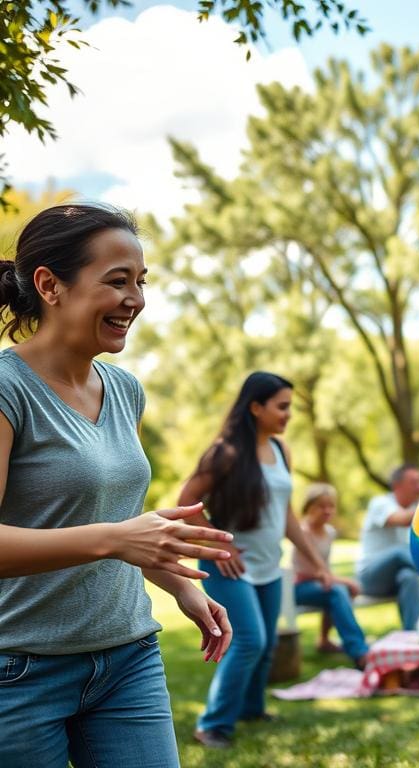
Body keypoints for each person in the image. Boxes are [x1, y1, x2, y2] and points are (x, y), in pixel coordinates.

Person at [0, 204, 234, 768]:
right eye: (117, 281)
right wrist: (114, 538)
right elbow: (111, 535)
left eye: (141, 281)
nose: (137, 299)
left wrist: (180, 585)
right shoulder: (9, 391)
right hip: (20, 672)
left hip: (128, 658)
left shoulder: (125, 390)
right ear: (50, 285)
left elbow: (120, 526)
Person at [178, 372, 334, 748]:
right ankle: (212, 724)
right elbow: (185, 502)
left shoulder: (280, 451)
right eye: (282, 407)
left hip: (267, 565)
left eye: (290, 407)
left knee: (265, 645)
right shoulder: (225, 452)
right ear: (255, 407)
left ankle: (249, 707)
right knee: (248, 641)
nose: (288, 415)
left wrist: (317, 562)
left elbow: (286, 515)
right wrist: (222, 545)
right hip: (229, 567)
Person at [293, 482, 369, 668]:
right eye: (321, 506)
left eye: (331, 506)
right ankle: (359, 651)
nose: (327, 510)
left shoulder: (330, 532)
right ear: (309, 507)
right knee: (337, 591)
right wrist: (344, 581)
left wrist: (337, 580)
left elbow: (325, 570)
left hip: (322, 584)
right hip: (299, 586)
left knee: (335, 591)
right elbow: (313, 572)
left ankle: (324, 641)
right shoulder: (301, 532)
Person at [356, 464, 419, 630]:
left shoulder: (412, 510)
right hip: (370, 578)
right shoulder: (381, 503)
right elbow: (401, 519)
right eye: (414, 483)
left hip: (395, 580)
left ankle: (410, 633)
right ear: (396, 486)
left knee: (409, 576)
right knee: (400, 552)